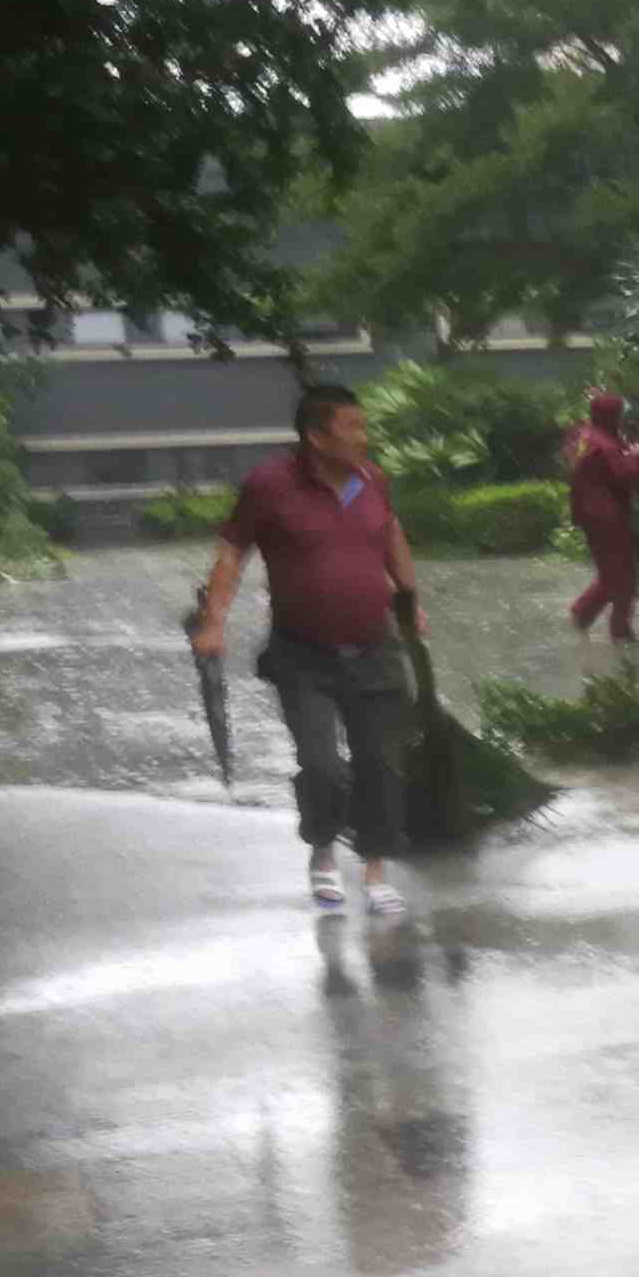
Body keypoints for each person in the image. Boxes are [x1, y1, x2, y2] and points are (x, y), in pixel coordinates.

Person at [193, 383, 423, 920]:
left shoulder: (372, 480)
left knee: (380, 765)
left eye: (364, 426)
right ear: (317, 437)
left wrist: (411, 606)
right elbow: (232, 552)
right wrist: (214, 622)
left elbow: (392, 536)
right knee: (322, 766)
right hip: (303, 655)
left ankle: (374, 870)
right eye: (353, 428)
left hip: (376, 648)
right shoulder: (270, 485)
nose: (364, 437)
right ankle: (322, 847)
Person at [567, 389, 639, 643]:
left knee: (611, 573)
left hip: (589, 515)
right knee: (624, 576)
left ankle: (581, 617)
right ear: (612, 415)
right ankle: (620, 634)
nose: (622, 418)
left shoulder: (583, 435)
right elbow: (624, 475)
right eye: (620, 414)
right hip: (608, 516)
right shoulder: (605, 443)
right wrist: (635, 456)